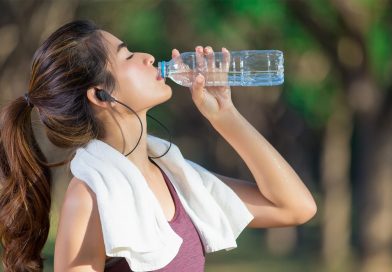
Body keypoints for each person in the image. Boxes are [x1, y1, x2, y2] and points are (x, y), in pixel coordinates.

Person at [0, 19, 317, 272]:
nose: (148, 57)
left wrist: (225, 115)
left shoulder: (177, 180)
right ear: (100, 96)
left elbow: (295, 207)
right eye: (126, 56)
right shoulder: (90, 197)